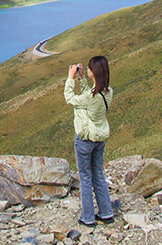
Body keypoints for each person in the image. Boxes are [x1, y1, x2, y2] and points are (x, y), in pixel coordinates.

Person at [64, 56, 115, 227]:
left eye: (88, 69)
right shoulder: (108, 91)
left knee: (85, 177)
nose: (86, 70)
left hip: (85, 139)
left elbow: (70, 98)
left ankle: (87, 217)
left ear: (95, 72)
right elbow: (91, 92)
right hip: (99, 138)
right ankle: (106, 212)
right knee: (98, 174)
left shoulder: (90, 97)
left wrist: (70, 78)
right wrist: (82, 79)